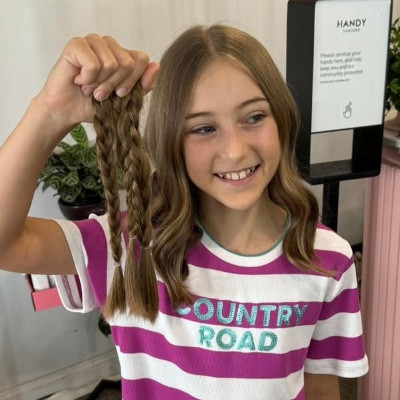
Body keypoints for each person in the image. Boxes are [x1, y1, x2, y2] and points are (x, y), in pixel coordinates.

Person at [0, 25, 368, 399]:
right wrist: (50, 111)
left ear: (282, 119)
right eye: (204, 128)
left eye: (254, 117)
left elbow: (322, 389)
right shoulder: (129, 248)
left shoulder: (328, 259)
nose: (235, 151)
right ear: (171, 140)